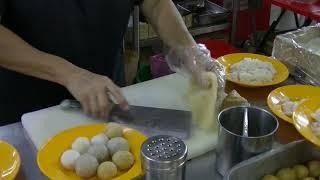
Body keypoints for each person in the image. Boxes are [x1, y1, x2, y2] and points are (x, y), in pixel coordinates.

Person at [0, 0, 225, 125]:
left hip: (109, 97)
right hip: (29, 106)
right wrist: (69, 73)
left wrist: (189, 50)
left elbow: (155, 3)